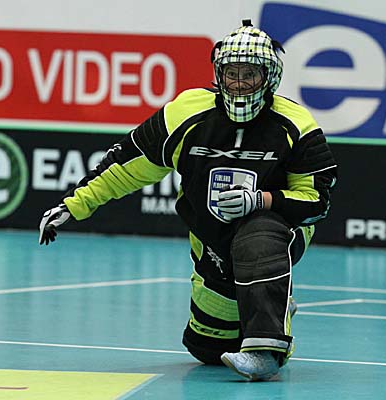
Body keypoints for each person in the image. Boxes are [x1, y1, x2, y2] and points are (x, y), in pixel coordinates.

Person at [39, 19, 337, 381]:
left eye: (250, 75)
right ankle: (275, 302)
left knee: (259, 237)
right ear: (218, 74)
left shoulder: (297, 124)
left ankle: (267, 351)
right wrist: (73, 205)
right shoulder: (185, 112)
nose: (239, 84)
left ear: (269, 77)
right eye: (231, 74)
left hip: (277, 227)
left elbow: (316, 201)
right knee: (208, 350)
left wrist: (261, 201)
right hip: (209, 236)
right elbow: (127, 166)